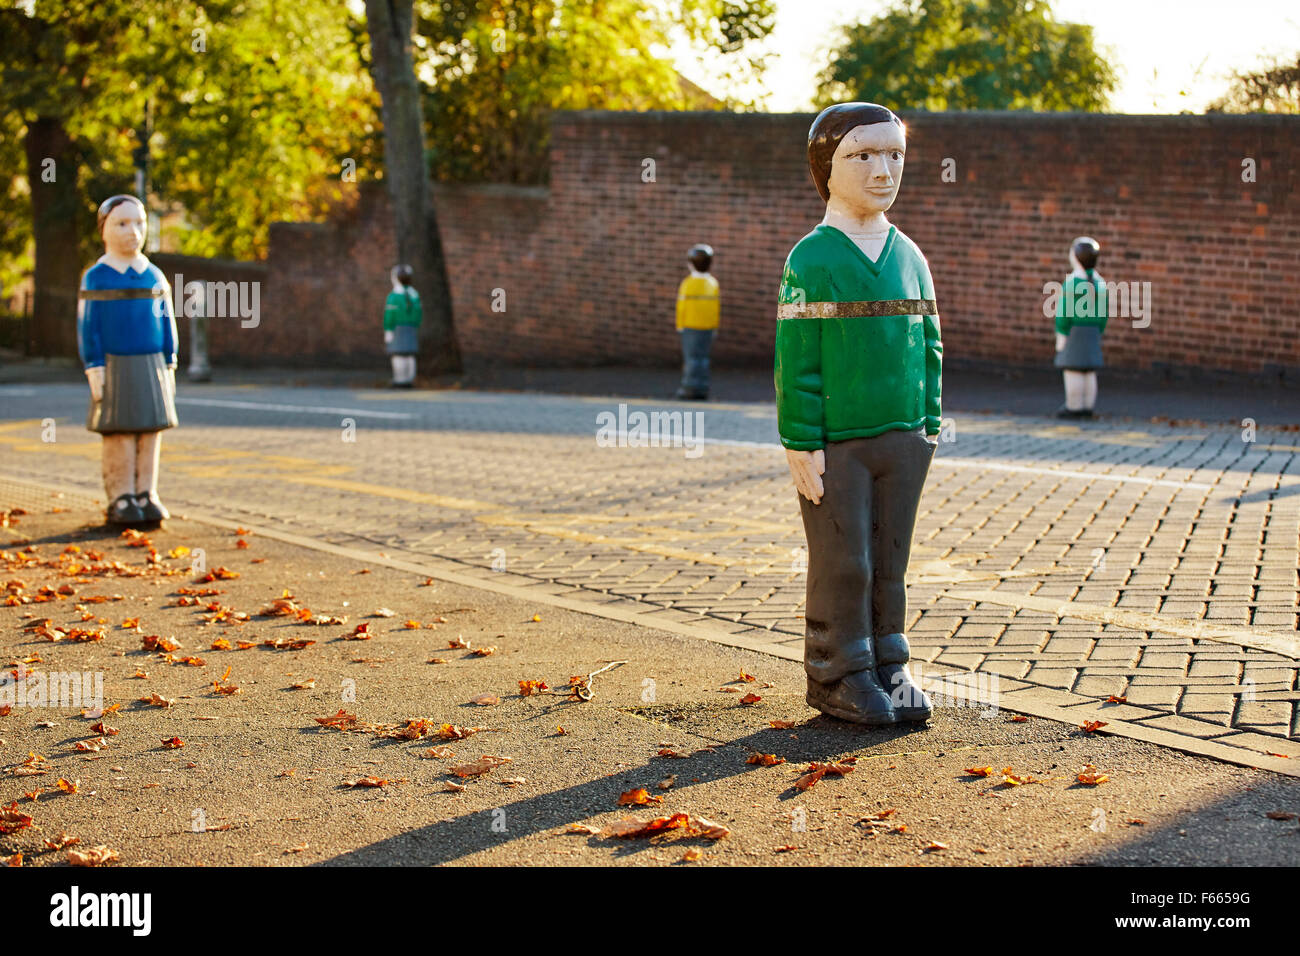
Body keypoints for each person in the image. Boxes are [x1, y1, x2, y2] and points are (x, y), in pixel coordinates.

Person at [775, 102, 941, 726]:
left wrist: (929, 423)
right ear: (826, 166)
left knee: (891, 558)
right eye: (862, 155)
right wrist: (799, 439)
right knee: (845, 559)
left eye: (895, 154)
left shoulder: (910, 256)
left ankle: (888, 661)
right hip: (837, 443)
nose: (882, 170)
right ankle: (838, 670)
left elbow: (929, 345)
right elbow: (796, 357)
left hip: (903, 437)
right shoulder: (812, 258)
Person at [78, 194, 179, 526]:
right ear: (104, 229)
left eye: (139, 223)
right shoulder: (97, 277)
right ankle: (121, 495)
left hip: (152, 365)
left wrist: (170, 361)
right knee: (119, 431)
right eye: (122, 223)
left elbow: (167, 321)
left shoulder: (154, 276)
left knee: (151, 430)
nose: (133, 232)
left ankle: (146, 492)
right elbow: (88, 325)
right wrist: (94, 366)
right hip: (115, 365)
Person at [1053, 237, 1108, 418]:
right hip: (1093, 331)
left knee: (1073, 370)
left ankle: (1074, 406)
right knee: (1089, 371)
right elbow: (1104, 313)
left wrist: (1061, 333)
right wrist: (1099, 330)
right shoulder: (1100, 283)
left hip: (1074, 331)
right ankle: (1088, 405)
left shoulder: (1072, 283)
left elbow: (1064, 312)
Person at [674, 243, 719, 400]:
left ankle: (689, 387)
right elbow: (715, 308)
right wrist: (714, 326)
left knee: (691, 358)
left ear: (691, 264)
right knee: (703, 358)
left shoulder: (687, 284)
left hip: (690, 326)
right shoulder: (713, 283)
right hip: (707, 327)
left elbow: (681, 307)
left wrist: (680, 325)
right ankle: (702, 387)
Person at [383, 264, 422, 387]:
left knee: (398, 354)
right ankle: (409, 379)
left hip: (397, 328)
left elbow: (389, 315)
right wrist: (416, 324)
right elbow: (419, 313)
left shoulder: (393, 296)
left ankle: (400, 380)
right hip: (411, 327)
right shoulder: (414, 295)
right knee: (409, 355)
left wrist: (388, 329)